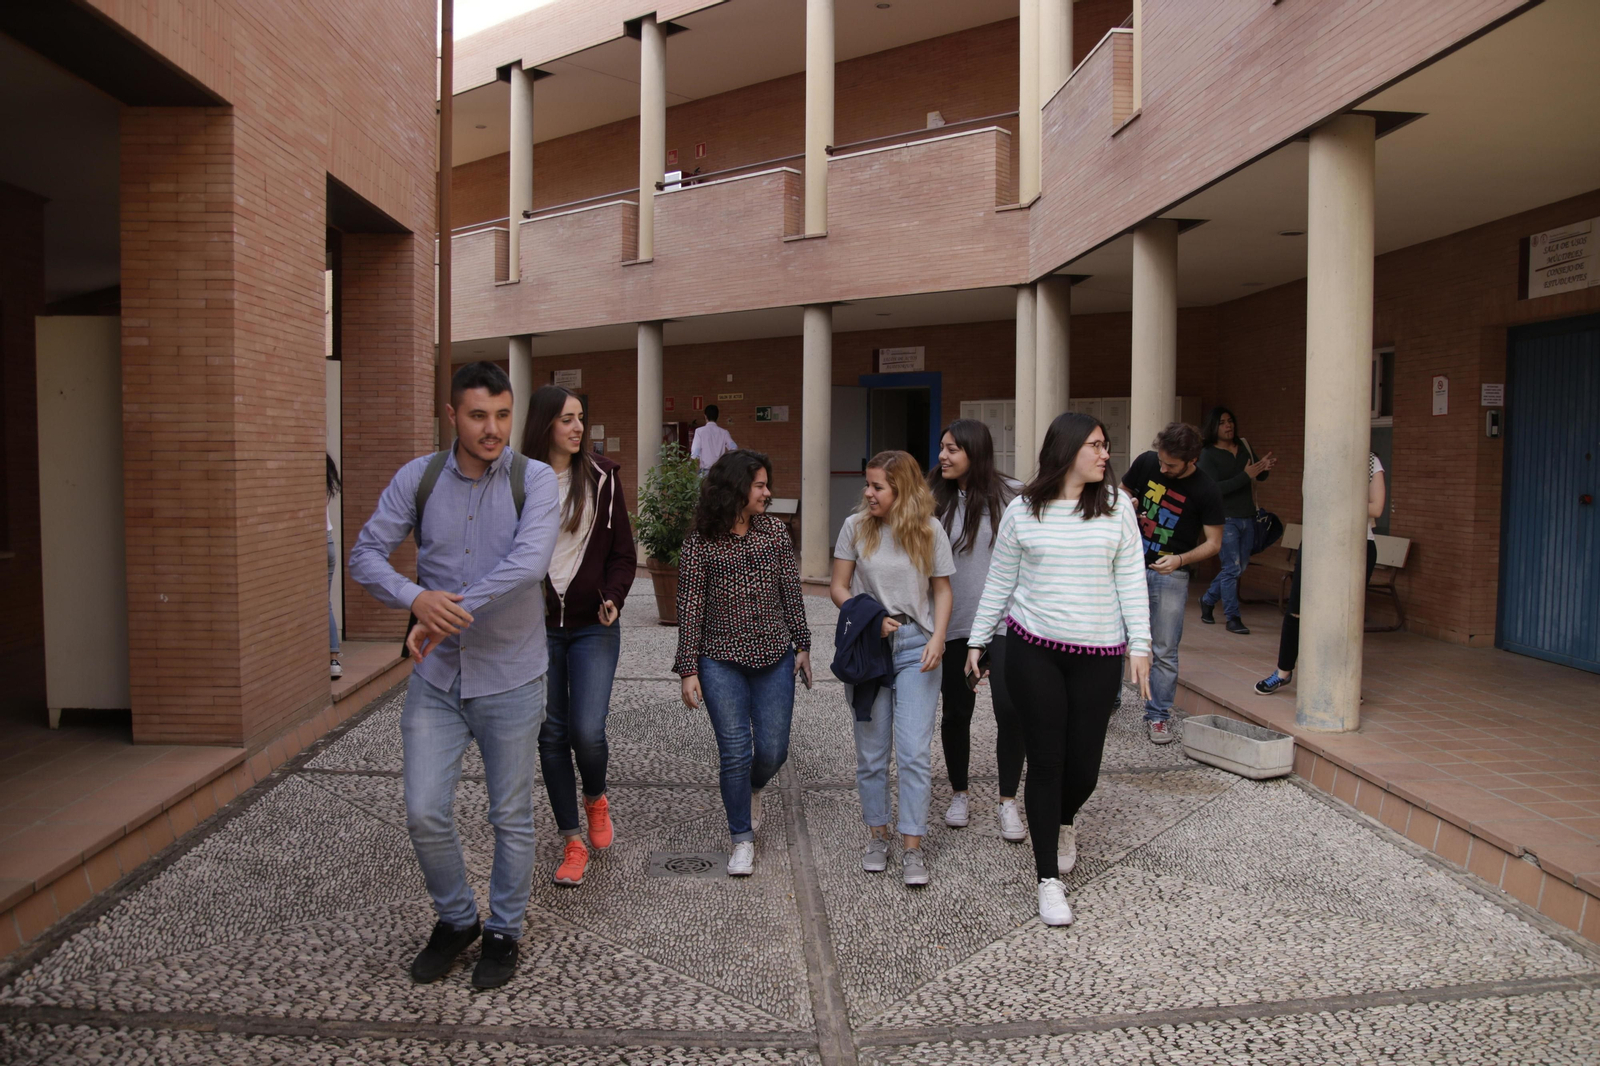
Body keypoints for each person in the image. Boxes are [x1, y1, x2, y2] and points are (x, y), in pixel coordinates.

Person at [348, 362, 559, 991]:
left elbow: (528, 564)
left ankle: (504, 930)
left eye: (501, 414)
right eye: (477, 416)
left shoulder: (536, 480)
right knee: (423, 811)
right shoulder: (418, 479)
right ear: (452, 417)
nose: (492, 429)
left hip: (512, 676)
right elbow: (363, 553)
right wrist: (416, 599)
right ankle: (457, 918)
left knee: (510, 815)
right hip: (437, 680)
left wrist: (447, 611)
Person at [966, 412, 1151, 927]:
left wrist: (1142, 644)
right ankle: (1048, 879)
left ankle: (1065, 820)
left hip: (1098, 654)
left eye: (1106, 444)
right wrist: (979, 640)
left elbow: (1132, 580)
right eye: (1095, 444)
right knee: (1046, 762)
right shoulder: (1024, 511)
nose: (1104, 454)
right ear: (1067, 449)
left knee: (1084, 768)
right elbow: (1000, 582)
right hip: (1034, 650)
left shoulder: (1117, 510)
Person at [676, 450, 813, 876]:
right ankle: (741, 839)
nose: (768, 493)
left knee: (773, 750)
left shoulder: (774, 533)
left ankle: (752, 787)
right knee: (734, 751)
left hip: (774, 656)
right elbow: (690, 606)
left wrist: (803, 644)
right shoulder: (700, 541)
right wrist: (688, 668)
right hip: (720, 660)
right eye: (760, 485)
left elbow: (791, 591)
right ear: (737, 488)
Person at [522, 385, 637, 888]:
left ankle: (595, 796)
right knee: (551, 735)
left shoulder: (602, 479)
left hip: (594, 625)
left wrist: (613, 594)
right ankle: (571, 840)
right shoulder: (520, 481)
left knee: (587, 731)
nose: (576, 427)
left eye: (580, 419)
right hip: (538, 628)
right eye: (566, 418)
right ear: (545, 423)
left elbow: (623, 554)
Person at [831, 451, 955, 888]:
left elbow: (942, 590)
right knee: (871, 752)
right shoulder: (855, 527)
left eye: (877, 487)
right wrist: (868, 617)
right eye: (868, 485)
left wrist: (939, 636)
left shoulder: (928, 530)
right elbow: (839, 587)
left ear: (901, 490)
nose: (868, 493)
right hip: (871, 648)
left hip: (917, 647)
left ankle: (912, 847)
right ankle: (877, 836)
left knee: (915, 752)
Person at [927, 420, 1026, 842]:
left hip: (1004, 625)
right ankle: (960, 793)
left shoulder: (1014, 495)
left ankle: (1007, 802)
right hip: (954, 625)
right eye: (942, 448)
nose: (943, 456)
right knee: (956, 714)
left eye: (952, 449)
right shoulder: (932, 498)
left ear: (975, 452)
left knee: (1010, 712)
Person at [1121, 423, 1225, 745]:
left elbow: (1214, 543)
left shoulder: (1206, 489)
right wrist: (1129, 506)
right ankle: (1105, 701)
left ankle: (1158, 715)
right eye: (1162, 462)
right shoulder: (1146, 462)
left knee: (1164, 648)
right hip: (1129, 565)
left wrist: (1179, 561)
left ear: (1192, 460)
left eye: (1171, 466)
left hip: (1172, 575)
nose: (1163, 469)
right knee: (1113, 637)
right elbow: (1122, 492)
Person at [1256, 452, 1386, 695]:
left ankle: (1344, 683)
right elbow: (1313, 500)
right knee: (1296, 609)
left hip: (1357, 543)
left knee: (1346, 616)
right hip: (1318, 540)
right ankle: (1283, 672)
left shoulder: (1368, 461)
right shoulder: (1319, 455)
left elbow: (1377, 508)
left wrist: (1339, 500)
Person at [1196, 408, 1276, 635]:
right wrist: (1246, 475)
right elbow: (1214, 490)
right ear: (1214, 427)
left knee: (1240, 566)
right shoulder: (1208, 454)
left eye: (1230, 421)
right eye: (1222, 422)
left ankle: (1208, 599)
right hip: (1224, 518)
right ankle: (1233, 617)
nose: (1228, 426)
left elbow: (1257, 475)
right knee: (1231, 568)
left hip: (1248, 515)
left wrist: (1264, 469)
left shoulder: (1243, 447)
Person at [327, 454, 343, 680]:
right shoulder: (327, 478)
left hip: (316, 543)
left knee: (321, 603)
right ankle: (333, 659)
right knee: (325, 602)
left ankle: (332, 658)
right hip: (328, 541)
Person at [689, 404, 737, 474]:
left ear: (705, 416)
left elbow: (695, 453)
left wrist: (690, 468)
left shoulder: (699, 431)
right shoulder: (724, 432)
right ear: (717, 416)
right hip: (719, 472)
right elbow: (734, 447)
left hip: (704, 473)